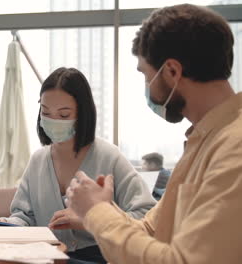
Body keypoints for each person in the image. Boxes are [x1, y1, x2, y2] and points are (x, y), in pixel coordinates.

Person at [66, 4, 242, 263]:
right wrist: (100, 207)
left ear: (172, 71)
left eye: (145, 74)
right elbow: (152, 230)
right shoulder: (203, 141)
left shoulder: (233, 148)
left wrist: (97, 212)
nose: (147, 87)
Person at [1, 67, 156, 263]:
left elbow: (145, 215)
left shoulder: (109, 157)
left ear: (83, 113)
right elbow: (24, 216)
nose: (53, 121)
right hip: (48, 257)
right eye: (46, 113)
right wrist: (5, 225)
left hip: (100, 258)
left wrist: (90, 221)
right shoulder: (38, 160)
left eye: (64, 115)